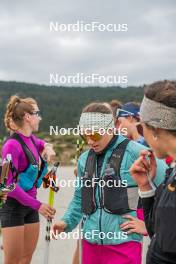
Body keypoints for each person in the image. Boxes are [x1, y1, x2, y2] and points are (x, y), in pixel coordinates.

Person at [52, 102, 167, 264]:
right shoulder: (84, 159)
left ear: (111, 127)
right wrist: (66, 222)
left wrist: (150, 225)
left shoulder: (135, 152)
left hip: (124, 243)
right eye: (85, 136)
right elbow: (80, 198)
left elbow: (169, 191)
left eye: (95, 135)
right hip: (90, 243)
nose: (90, 141)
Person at [0, 95, 56, 264]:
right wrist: (39, 206)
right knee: (13, 261)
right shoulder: (11, 145)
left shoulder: (30, 138)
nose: (40, 117)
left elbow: (42, 143)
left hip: (30, 207)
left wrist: (48, 148)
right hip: (13, 208)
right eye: (37, 114)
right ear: (27, 117)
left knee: (26, 259)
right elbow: (6, 185)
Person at [130, 80, 176, 263]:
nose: (142, 135)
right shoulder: (172, 170)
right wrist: (146, 186)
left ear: (156, 129)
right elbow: (157, 231)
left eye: (142, 127)